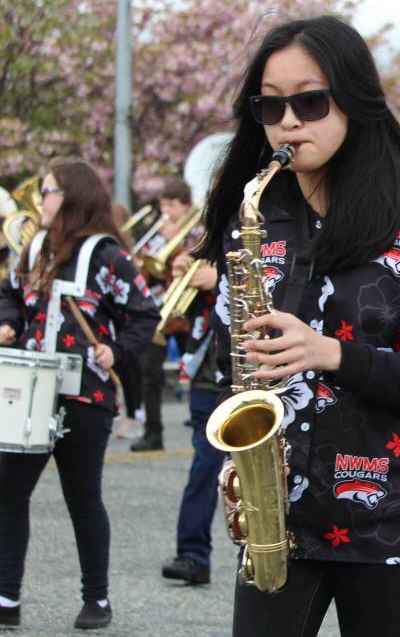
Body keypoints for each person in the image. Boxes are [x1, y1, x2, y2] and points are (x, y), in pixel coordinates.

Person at [194, 15, 400, 636]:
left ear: (354, 101)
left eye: (310, 101)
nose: (289, 122)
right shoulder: (254, 216)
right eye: (270, 106)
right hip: (278, 516)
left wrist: (330, 353)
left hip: (388, 516)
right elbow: (230, 365)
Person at [0, 159, 160, 630]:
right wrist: (8, 320)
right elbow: (10, 294)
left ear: (71, 197)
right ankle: (6, 597)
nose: (40, 199)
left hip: (84, 396)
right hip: (31, 393)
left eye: (47, 191)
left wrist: (116, 351)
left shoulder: (106, 255)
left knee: (82, 497)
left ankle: (98, 598)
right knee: (8, 492)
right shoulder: (31, 252)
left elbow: (143, 314)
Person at [159, 249, 221, 585]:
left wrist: (221, 279)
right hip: (206, 378)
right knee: (203, 467)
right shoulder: (208, 241)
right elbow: (176, 316)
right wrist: (180, 275)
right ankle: (193, 555)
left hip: (256, 374)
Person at [132, 179, 202, 452]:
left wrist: (174, 243)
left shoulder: (197, 230)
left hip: (189, 312)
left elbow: (195, 262)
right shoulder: (160, 233)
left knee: (198, 370)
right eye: (163, 205)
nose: (166, 212)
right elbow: (150, 269)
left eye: (171, 206)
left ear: (186, 206)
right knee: (150, 373)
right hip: (161, 310)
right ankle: (153, 431)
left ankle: (202, 425)